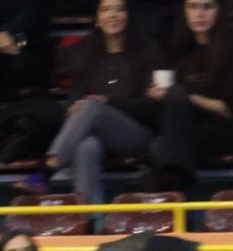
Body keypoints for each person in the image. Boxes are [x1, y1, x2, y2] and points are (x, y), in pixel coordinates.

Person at [16, 0, 163, 206]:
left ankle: (45, 170)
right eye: (105, 9)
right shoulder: (88, 56)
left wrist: (106, 102)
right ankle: (90, 219)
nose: (112, 14)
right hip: (96, 132)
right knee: (87, 145)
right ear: (97, 20)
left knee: (93, 106)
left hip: (138, 134)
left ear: (129, 16)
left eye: (119, 9)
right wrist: (73, 109)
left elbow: (150, 107)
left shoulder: (148, 51)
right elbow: (73, 101)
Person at [142, 0, 233, 193]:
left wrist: (184, 96)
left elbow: (227, 109)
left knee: (163, 148)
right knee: (159, 145)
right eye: (193, 7)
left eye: (207, 7)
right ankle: (177, 185)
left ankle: (173, 189)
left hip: (232, 128)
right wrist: (161, 97)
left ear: (219, 11)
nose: (199, 14)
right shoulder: (182, 50)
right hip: (194, 127)